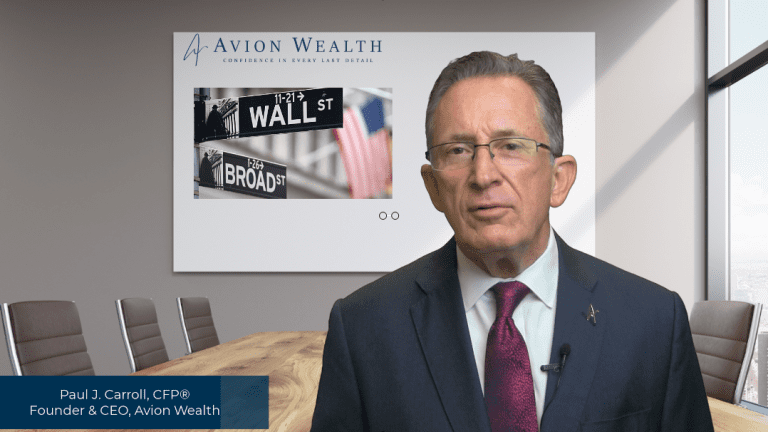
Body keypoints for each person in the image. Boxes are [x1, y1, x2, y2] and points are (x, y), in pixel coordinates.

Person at [311, 51, 713, 432]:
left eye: (511, 146)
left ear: (559, 179)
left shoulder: (654, 321)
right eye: (458, 150)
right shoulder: (363, 327)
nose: (483, 174)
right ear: (433, 187)